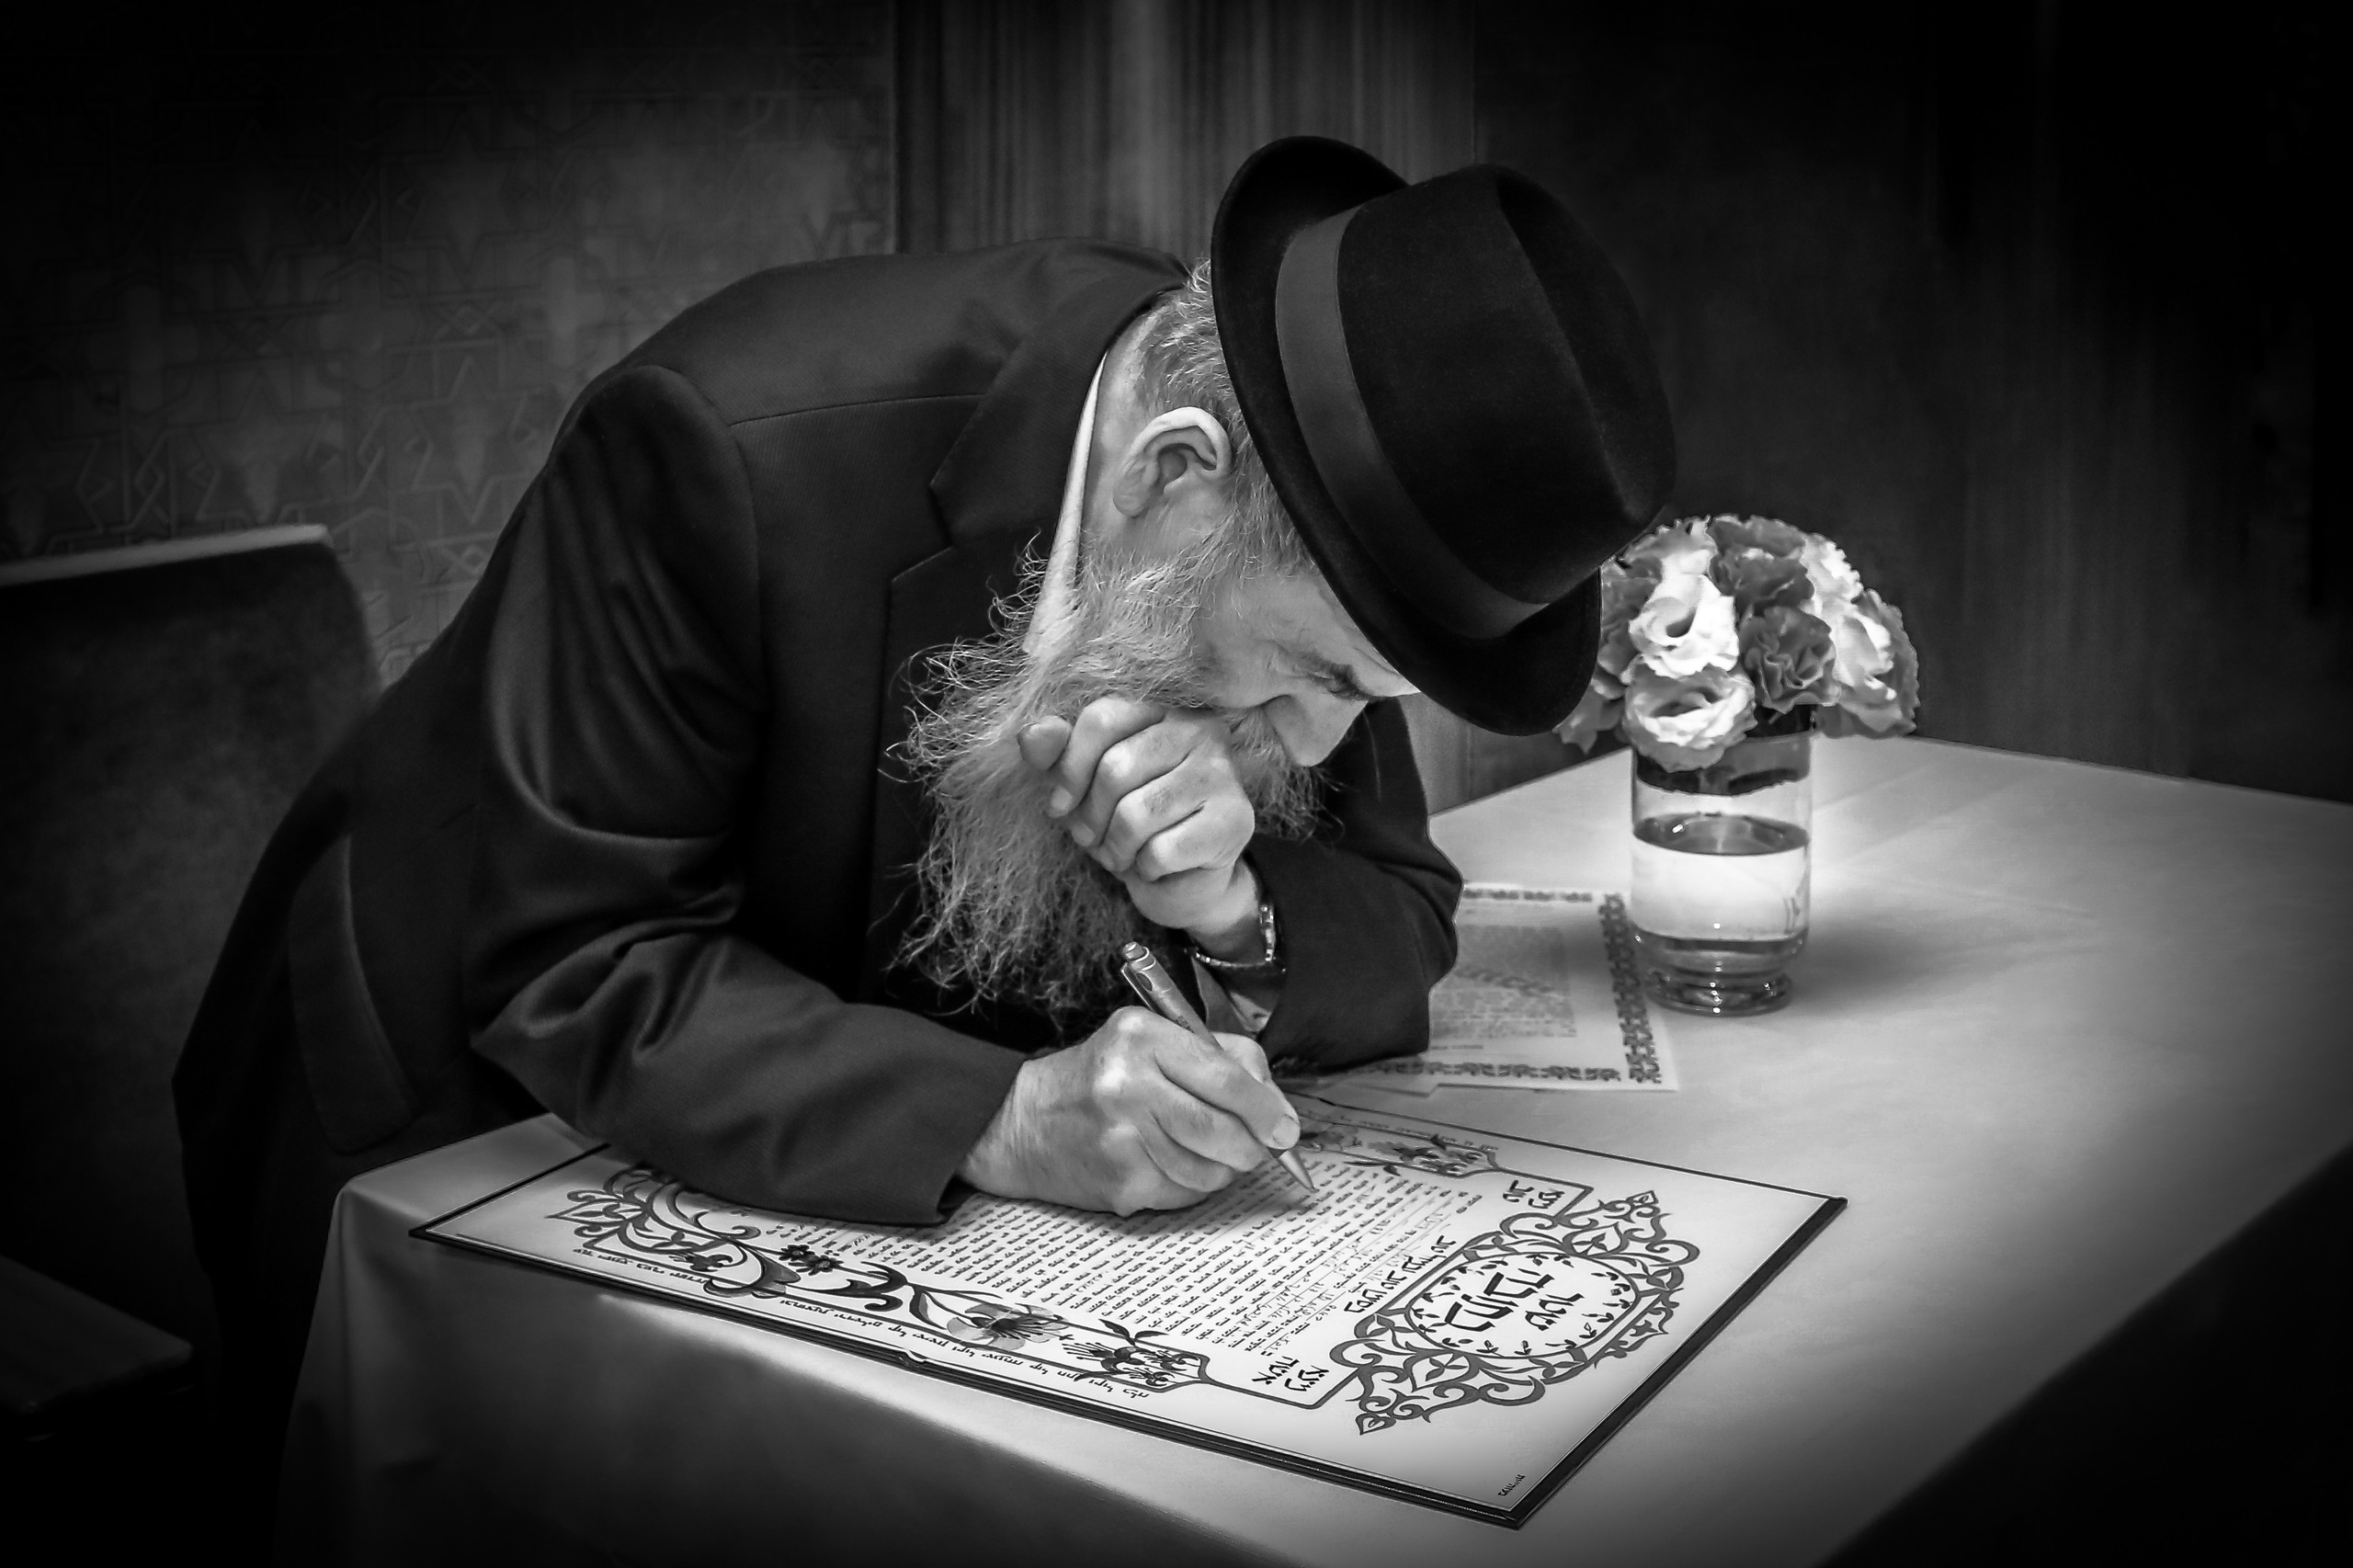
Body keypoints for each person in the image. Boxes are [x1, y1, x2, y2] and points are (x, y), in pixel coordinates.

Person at [173, 135, 1675, 1509]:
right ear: (1175, 479)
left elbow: (1401, 908)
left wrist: (1232, 905)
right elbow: (581, 953)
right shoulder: (718, 444)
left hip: (822, 1118)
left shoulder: (1328, 521)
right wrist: (1007, 1115)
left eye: (1371, 696)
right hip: (444, 1093)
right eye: (1311, 679)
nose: (1326, 743)